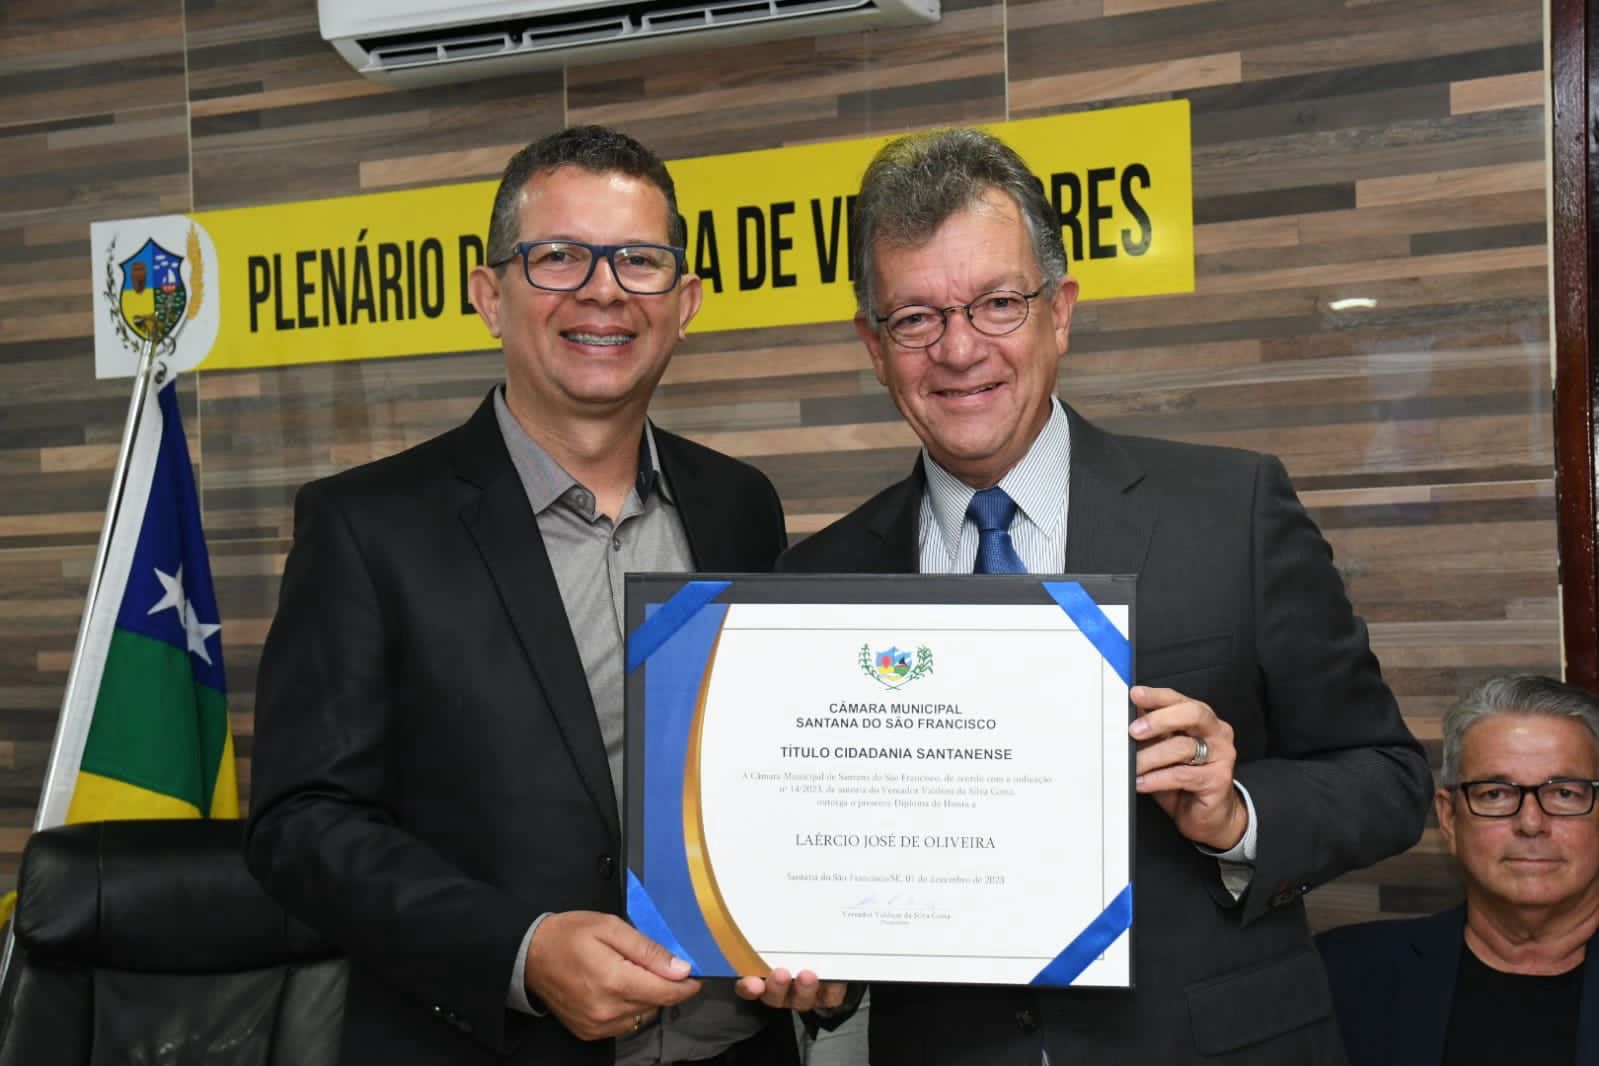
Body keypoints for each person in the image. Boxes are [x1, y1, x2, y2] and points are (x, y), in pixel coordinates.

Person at [776, 127, 1431, 1064]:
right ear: (873, 348)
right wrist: (818, 957)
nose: (958, 350)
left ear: (1059, 311)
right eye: (914, 318)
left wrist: (1236, 813)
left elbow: (1387, 776)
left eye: (997, 304)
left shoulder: (1231, 510)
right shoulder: (820, 579)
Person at [245, 126, 834, 1066]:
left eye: (638, 260)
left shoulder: (740, 504)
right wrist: (516, 951)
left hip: (736, 1050)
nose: (602, 290)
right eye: (558, 256)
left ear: (683, 303)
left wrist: (823, 929)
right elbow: (300, 825)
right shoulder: (365, 526)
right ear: (490, 295)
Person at [1317, 674, 1599, 1065]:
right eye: (1495, 794)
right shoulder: (1339, 975)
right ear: (1449, 819)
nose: (1531, 823)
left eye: (1565, 793)